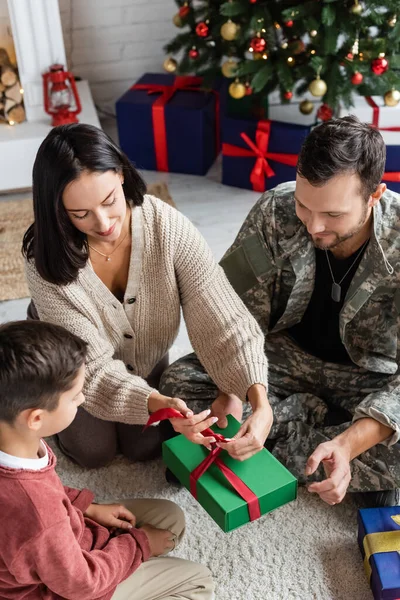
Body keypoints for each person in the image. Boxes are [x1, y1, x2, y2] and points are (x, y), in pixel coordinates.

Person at [160, 115, 400, 507]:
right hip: (278, 360)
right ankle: (321, 449)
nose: (314, 226)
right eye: (306, 206)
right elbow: (230, 310)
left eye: (333, 215)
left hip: (367, 379)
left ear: (374, 195)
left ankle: (328, 446)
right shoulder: (276, 210)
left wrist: (350, 441)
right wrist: (236, 390)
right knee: (178, 386)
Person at [23, 123, 270, 469]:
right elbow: (90, 368)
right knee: (93, 452)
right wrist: (156, 403)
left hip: (146, 351)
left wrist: (258, 400)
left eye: (109, 200)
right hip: (73, 359)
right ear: (57, 210)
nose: (104, 222)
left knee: (146, 448)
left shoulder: (166, 226)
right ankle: (36, 346)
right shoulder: (44, 260)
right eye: (80, 214)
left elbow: (221, 316)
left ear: (121, 174)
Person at [0, 320, 214, 600]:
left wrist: (86, 508)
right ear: (36, 418)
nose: (83, 398)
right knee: (199, 581)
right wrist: (141, 544)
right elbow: (81, 584)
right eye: (76, 396)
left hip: (63, 543)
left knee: (170, 517)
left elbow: (45, 495)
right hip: (65, 588)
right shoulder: (37, 511)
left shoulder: (17, 442)